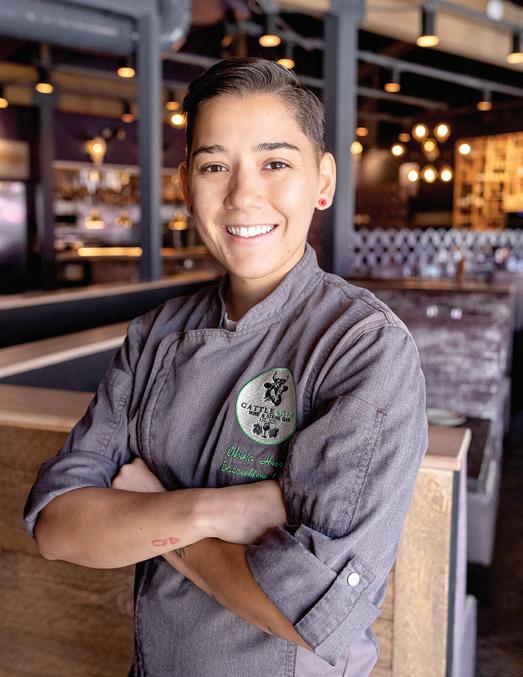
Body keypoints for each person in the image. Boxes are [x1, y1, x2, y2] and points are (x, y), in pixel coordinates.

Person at [23, 57, 428, 676]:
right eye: (215, 166)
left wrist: (156, 516)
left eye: (275, 164)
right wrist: (213, 511)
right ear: (186, 185)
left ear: (323, 181)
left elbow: (311, 613)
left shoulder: (362, 347)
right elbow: (58, 526)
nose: (242, 195)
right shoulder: (155, 336)